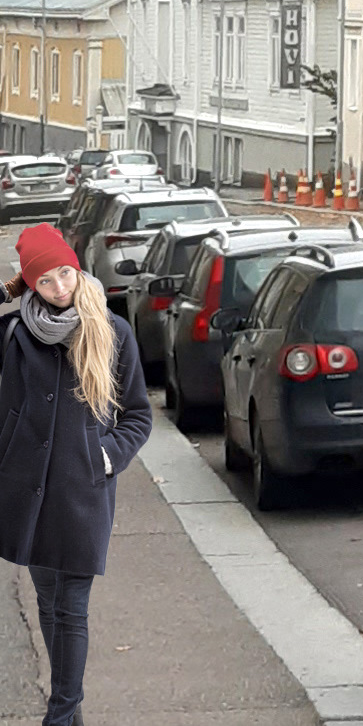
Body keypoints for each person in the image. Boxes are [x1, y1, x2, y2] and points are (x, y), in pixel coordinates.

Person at [0, 222, 151, 726]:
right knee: (48, 598)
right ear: (30, 286)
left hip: (82, 493)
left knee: (71, 604)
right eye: (45, 281)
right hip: (27, 492)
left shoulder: (111, 331)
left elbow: (138, 415)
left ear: (77, 267)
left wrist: (103, 457)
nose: (60, 288)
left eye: (65, 273)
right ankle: (72, 714)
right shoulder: (15, 335)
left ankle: (61, 714)